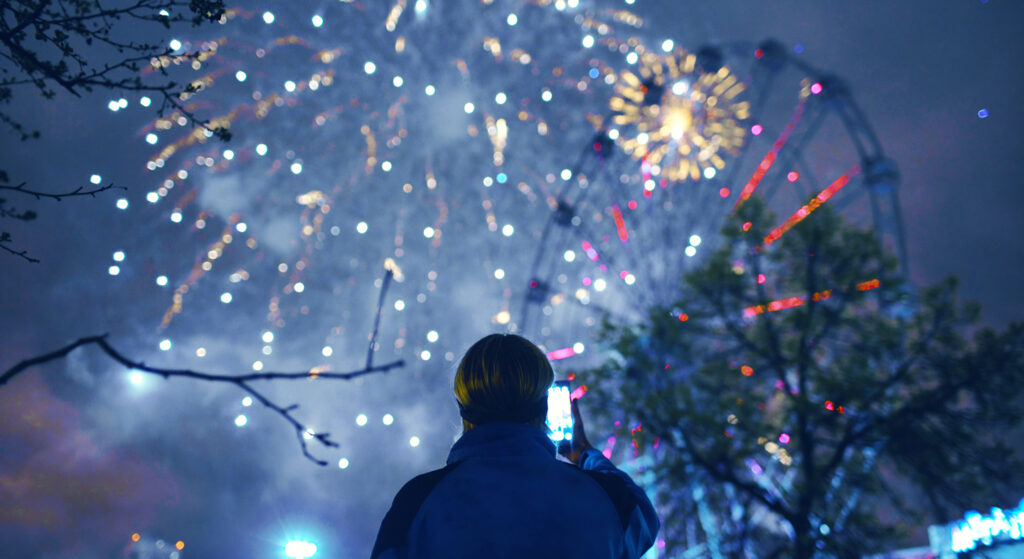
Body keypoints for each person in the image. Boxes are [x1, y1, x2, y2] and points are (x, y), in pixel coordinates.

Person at [370, 333, 660, 559]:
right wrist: (583, 453)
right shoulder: (607, 500)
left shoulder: (417, 502)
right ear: (546, 405)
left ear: (462, 406)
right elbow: (643, 517)